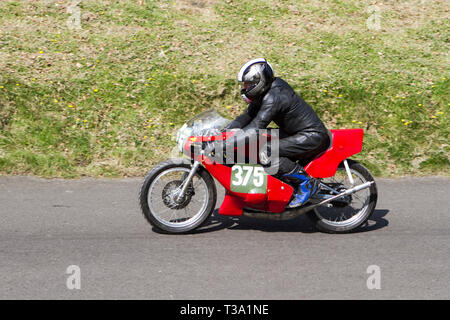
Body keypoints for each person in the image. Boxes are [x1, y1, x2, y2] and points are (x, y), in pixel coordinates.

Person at [224, 58, 330, 207]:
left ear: (258, 81)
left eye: (248, 84)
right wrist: (223, 132)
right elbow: (246, 117)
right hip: (294, 133)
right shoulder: (266, 91)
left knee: (267, 151)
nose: (245, 88)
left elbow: (256, 126)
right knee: (258, 141)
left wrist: (226, 143)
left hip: (311, 136)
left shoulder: (275, 96)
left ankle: (306, 182)